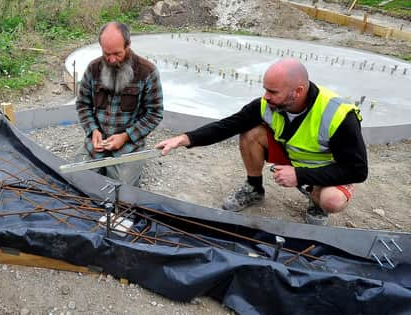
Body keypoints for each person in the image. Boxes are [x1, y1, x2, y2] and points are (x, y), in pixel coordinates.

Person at [155, 58, 367, 225]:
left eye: (273, 92)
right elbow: (228, 125)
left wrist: (300, 175)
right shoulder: (267, 105)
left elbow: (357, 171)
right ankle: (254, 188)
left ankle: (316, 202)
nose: (265, 96)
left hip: (327, 169)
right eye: (265, 89)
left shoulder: (338, 115)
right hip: (293, 157)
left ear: (298, 91)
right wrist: (184, 139)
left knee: (332, 200)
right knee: (250, 132)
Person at [75, 22, 164, 186]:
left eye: (117, 53)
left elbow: (155, 113)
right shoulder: (93, 68)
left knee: (121, 188)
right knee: (78, 178)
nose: (111, 59)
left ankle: (133, 164)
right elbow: (82, 104)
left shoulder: (147, 72)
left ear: (128, 45)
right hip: (98, 142)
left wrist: (126, 136)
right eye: (106, 53)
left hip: (129, 144)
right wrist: (93, 130)